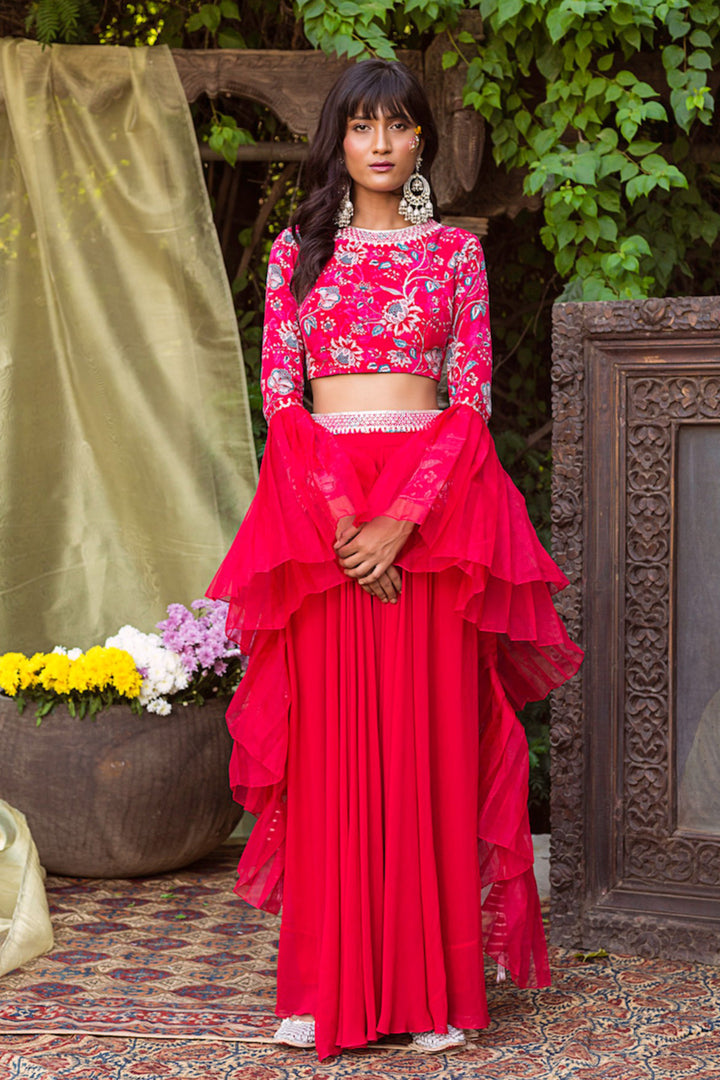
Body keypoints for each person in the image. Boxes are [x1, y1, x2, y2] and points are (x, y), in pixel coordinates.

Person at [206, 58, 582, 1061]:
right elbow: (282, 401)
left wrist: (402, 523)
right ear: (337, 141)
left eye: (398, 126)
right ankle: (321, 989)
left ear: (423, 142)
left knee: (428, 744)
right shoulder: (298, 252)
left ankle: (437, 991)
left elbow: (472, 406)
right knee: (331, 750)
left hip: (435, 518)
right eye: (361, 125)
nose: (379, 143)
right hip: (321, 516)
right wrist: (341, 520)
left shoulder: (456, 256)